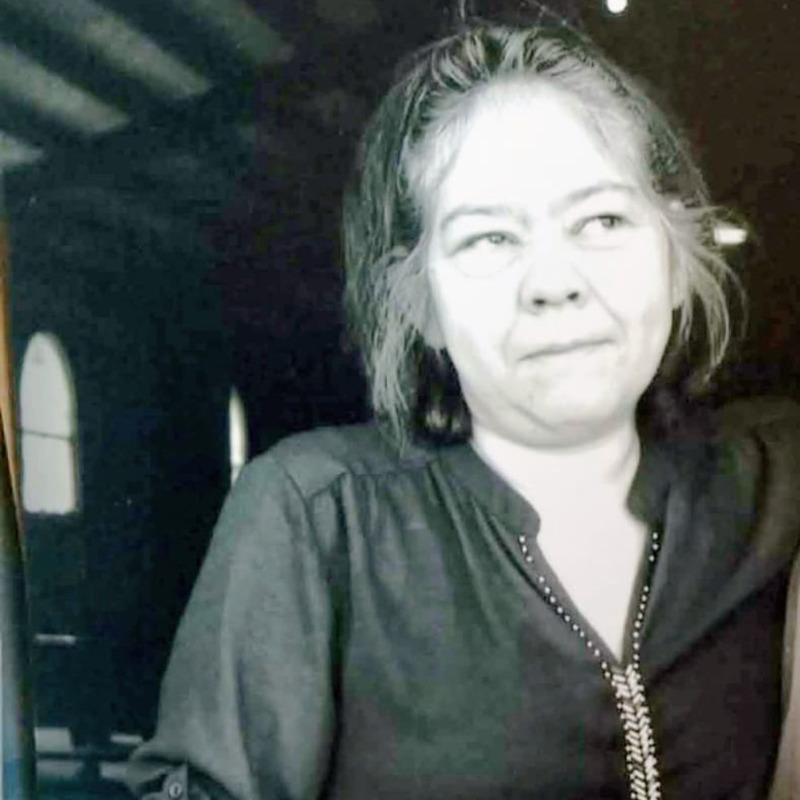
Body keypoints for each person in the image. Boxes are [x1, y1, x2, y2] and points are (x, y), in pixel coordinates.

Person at [126, 20, 800, 800]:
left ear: (677, 256)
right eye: (489, 240)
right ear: (421, 305)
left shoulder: (776, 483)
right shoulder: (320, 516)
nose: (555, 282)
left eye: (603, 221)